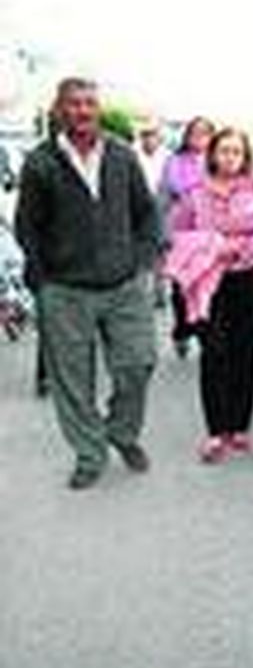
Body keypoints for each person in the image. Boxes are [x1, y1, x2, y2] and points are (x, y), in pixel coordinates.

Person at [14, 78, 161, 489]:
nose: (82, 111)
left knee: (139, 363)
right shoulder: (41, 162)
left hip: (124, 284)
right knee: (73, 381)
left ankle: (121, 431)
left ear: (99, 109)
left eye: (90, 103)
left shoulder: (121, 154)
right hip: (65, 289)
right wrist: (43, 280)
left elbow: (147, 213)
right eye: (74, 104)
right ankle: (89, 453)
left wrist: (144, 260)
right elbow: (28, 226)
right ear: (59, 110)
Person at [165, 127, 253, 463]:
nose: (230, 157)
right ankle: (216, 431)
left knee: (246, 350)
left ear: (245, 157)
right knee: (214, 351)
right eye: (224, 150)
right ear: (212, 153)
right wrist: (213, 246)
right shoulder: (195, 193)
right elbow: (177, 232)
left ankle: (240, 426)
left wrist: (240, 249)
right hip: (208, 280)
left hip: (248, 277)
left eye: (237, 152)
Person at [159, 116, 215, 357]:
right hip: (182, 234)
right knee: (182, 286)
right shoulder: (175, 162)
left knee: (207, 286)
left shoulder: (219, 161)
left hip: (211, 235)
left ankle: (205, 333)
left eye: (206, 133)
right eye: (196, 132)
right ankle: (182, 328)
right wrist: (162, 236)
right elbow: (163, 200)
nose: (201, 138)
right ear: (187, 136)